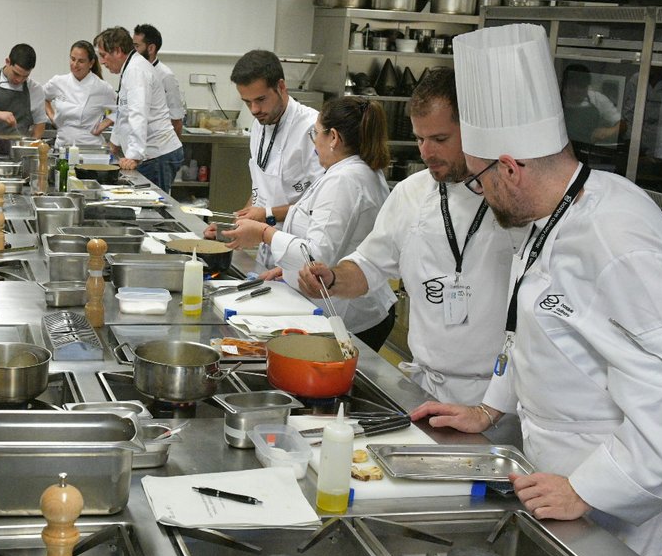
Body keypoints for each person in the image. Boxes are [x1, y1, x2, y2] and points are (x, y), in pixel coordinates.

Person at [411, 24, 662, 556]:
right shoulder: (547, 219)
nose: (478, 190)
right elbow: (530, 332)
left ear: (510, 168)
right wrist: (489, 409)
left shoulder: (617, 243)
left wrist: (588, 488)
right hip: (562, 483)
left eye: (479, 178)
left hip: (634, 497)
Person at [297, 67, 519, 406]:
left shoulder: (515, 200)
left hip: (497, 395)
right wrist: (334, 278)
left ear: (475, 131)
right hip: (426, 385)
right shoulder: (411, 192)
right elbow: (370, 264)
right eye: (419, 139)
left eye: (440, 140)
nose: (426, 152)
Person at [222, 96, 398, 351]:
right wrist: (289, 271)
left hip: (353, 317)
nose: (314, 142)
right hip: (346, 305)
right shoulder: (348, 171)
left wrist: (264, 233)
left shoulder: (345, 180)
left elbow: (316, 258)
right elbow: (329, 242)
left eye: (316, 134)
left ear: (333, 137)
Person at [215, 50, 324, 271]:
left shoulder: (313, 129)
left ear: (281, 87)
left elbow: (322, 204)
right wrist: (233, 225)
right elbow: (261, 190)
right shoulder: (259, 125)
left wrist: (267, 215)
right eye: (247, 102)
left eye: (261, 99)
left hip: (303, 254)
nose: (255, 110)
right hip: (268, 252)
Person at [94, 26, 184, 191]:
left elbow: (138, 114)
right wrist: (114, 144)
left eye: (103, 55)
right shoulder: (130, 68)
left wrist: (133, 156)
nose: (102, 62)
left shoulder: (136, 70)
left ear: (118, 51)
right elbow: (123, 112)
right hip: (152, 155)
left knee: (153, 205)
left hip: (157, 155)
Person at [43, 40, 116, 149]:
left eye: (81, 61)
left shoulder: (102, 88)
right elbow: (42, 97)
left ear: (91, 63)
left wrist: (102, 126)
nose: (75, 65)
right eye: (73, 59)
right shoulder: (58, 82)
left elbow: (117, 111)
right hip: (63, 146)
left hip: (90, 148)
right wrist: (52, 117)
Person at [133, 24, 186, 137]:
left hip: (158, 142)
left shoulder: (166, 76)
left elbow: (176, 120)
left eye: (137, 46)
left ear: (151, 49)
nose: (133, 51)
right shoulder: (134, 71)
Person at [561, 63, 624, 146]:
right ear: (564, 86)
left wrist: (609, 131)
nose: (576, 90)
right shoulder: (555, 100)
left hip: (588, 148)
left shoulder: (597, 99)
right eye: (572, 86)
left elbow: (623, 124)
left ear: (587, 87)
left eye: (580, 86)